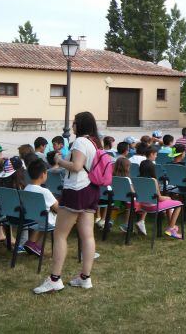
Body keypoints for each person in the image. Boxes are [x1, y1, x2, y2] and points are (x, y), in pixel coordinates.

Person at [34, 111, 101, 294]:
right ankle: (85, 277)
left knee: (60, 234)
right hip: (90, 190)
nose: (72, 126)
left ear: (80, 125)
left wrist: (59, 160)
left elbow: (77, 166)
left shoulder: (80, 141)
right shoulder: (94, 142)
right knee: (87, 235)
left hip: (75, 190)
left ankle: (55, 278)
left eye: (74, 123)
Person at [138, 160, 183, 239]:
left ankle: (171, 226)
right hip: (153, 206)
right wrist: (168, 197)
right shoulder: (153, 181)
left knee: (168, 203)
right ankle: (171, 229)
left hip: (143, 206)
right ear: (151, 169)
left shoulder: (137, 179)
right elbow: (159, 198)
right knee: (179, 204)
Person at [22, 159, 59, 257]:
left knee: (44, 219)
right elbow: (58, 208)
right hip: (44, 220)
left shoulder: (27, 188)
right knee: (57, 218)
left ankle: (33, 244)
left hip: (32, 218)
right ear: (43, 174)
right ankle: (35, 245)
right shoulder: (44, 191)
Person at [112, 158, 147, 236]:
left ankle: (111, 221)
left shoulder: (113, 177)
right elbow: (132, 192)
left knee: (128, 203)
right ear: (126, 168)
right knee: (145, 202)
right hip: (129, 200)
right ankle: (137, 222)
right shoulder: (127, 179)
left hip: (117, 199)